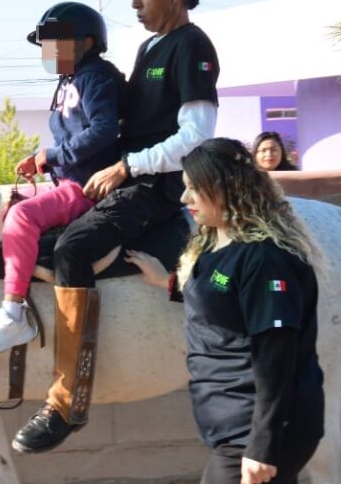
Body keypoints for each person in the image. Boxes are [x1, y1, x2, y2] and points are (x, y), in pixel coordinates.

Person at [13, 0, 220, 453]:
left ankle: (67, 401)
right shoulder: (150, 47)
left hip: (158, 185)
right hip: (127, 178)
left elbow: (195, 135)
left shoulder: (192, 46)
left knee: (73, 249)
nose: (134, 2)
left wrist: (127, 167)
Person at [126, 138, 324, 484]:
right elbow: (223, 296)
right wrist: (170, 284)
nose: (184, 199)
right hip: (234, 427)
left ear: (225, 189)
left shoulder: (266, 260)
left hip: (259, 431)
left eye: (193, 189)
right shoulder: (218, 243)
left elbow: (275, 356)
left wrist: (262, 446)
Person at [0, 2, 125, 353]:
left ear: (85, 42)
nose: (47, 51)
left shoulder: (95, 78)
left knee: (21, 216)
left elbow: (103, 130)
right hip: (68, 180)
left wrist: (50, 156)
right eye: (45, 45)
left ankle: (13, 312)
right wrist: (42, 161)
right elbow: (74, 140)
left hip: (87, 187)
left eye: (55, 42)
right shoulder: (70, 81)